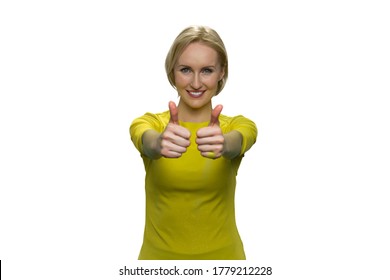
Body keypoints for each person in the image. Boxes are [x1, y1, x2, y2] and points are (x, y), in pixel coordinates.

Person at [129, 25, 257, 260]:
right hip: (158, 263)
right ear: (172, 71)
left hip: (224, 263)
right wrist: (157, 144)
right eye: (186, 70)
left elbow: (240, 140)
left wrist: (225, 145)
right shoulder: (152, 125)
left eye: (207, 70)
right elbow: (144, 139)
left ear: (221, 72)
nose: (196, 83)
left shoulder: (235, 127)